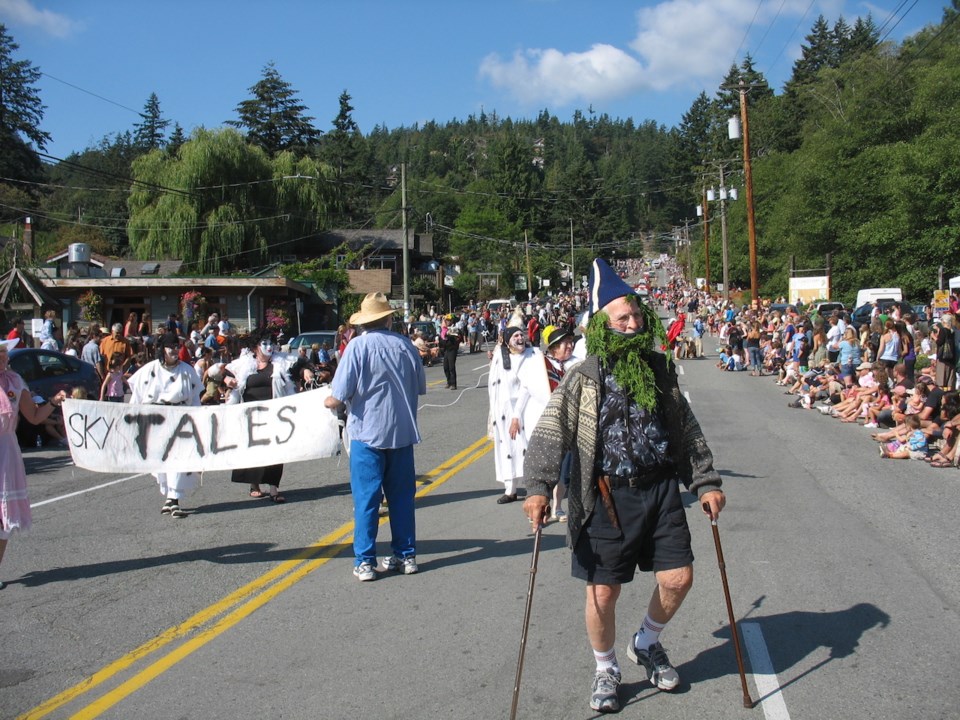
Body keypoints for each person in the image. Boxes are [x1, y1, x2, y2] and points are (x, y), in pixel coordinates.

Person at [522, 258, 725, 714]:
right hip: (607, 496)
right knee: (602, 591)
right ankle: (605, 668)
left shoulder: (659, 369)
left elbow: (685, 428)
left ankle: (646, 643)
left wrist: (705, 480)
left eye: (636, 315)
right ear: (601, 325)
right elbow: (550, 432)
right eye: (623, 318)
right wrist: (538, 486)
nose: (633, 324)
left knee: (678, 578)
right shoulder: (583, 377)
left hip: (660, 489)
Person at [324, 293, 427, 582]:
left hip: (367, 432)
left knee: (367, 498)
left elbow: (338, 395)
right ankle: (406, 555)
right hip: (402, 431)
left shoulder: (357, 347)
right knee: (402, 498)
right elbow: (420, 386)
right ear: (389, 318)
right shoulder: (406, 346)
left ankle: (365, 561)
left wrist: (328, 401)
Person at [0, 339, 67, 588]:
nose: (3, 359)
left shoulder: (15, 382)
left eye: (4, 354)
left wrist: (53, 402)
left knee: (3, 519)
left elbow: (34, 416)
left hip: (7, 452)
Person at [127, 332, 203, 518]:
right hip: (156, 420)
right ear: (162, 349)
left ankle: (174, 499)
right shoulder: (149, 369)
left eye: (177, 347)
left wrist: (198, 420)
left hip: (180, 419)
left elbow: (195, 399)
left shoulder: (187, 370)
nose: (175, 351)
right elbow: (137, 396)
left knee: (177, 458)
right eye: (171, 347)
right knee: (161, 459)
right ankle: (168, 494)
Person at [223, 331, 298, 502]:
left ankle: (273, 488)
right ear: (255, 347)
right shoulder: (243, 365)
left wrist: (307, 371)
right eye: (264, 344)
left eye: (271, 343)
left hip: (274, 414)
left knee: (276, 451)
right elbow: (223, 372)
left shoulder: (281, 363)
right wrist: (227, 381)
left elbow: (300, 365)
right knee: (253, 451)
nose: (269, 347)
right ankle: (254, 484)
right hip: (251, 417)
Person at [487, 326, 536, 504]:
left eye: (521, 335)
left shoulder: (531, 355)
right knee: (506, 448)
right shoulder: (501, 355)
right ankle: (511, 489)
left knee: (526, 447)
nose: (520, 338)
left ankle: (534, 488)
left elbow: (527, 387)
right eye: (515, 336)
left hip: (523, 411)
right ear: (508, 341)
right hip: (502, 414)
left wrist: (517, 415)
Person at [441, 324, 461, 389]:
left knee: (451, 367)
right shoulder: (445, 331)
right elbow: (442, 341)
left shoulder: (455, 330)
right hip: (446, 350)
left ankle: (453, 384)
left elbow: (458, 339)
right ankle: (448, 382)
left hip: (452, 350)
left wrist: (452, 335)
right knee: (445, 367)